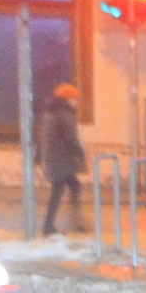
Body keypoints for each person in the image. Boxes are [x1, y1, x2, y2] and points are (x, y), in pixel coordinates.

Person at [39, 82, 85, 239]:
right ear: (68, 98)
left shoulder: (50, 112)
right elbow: (70, 137)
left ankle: (73, 221)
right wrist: (80, 152)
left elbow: (42, 137)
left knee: (73, 186)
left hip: (54, 158)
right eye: (75, 98)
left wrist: (39, 156)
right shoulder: (64, 114)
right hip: (61, 160)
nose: (77, 102)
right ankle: (50, 226)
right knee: (59, 190)